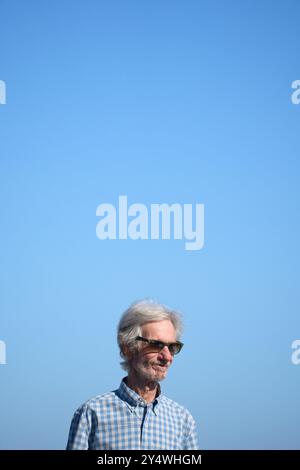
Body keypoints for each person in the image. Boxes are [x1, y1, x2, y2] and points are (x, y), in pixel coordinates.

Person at [66, 299, 198, 450]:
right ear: (128, 349)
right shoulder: (91, 414)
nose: (167, 357)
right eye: (156, 345)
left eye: (172, 347)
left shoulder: (182, 419)